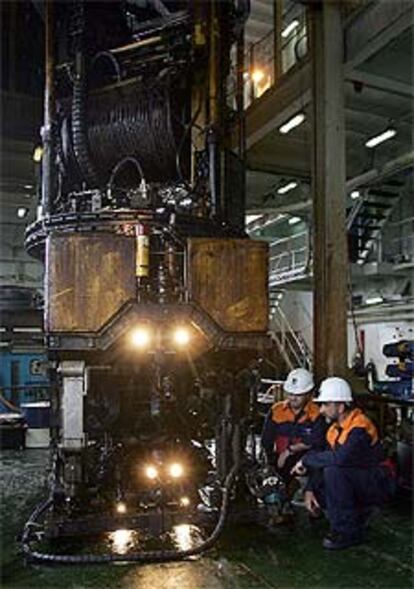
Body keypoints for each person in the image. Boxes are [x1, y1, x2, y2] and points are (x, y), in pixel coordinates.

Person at [292, 376, 395, 550]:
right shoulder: (334, 430)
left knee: (334, 471)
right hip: (361, 479)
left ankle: (347, 532)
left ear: (340, 406)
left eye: (325, 405)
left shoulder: (359, 428)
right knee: (324, 480)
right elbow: (325, 456)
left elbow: (339, 459)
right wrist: (309, 489)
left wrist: (305, 460)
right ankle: (359, 512)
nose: (321, 410)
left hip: (381, 482)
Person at [261, 368, 327, 488]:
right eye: (290, 394)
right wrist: (269, 464)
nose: (293, 398)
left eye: (298, 395)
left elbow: (317, 441)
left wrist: (289, 451)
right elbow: (266, 440)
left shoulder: (317, 413)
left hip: (305, 461)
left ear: (308, 394)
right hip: (279, 461)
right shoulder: (277, 411)